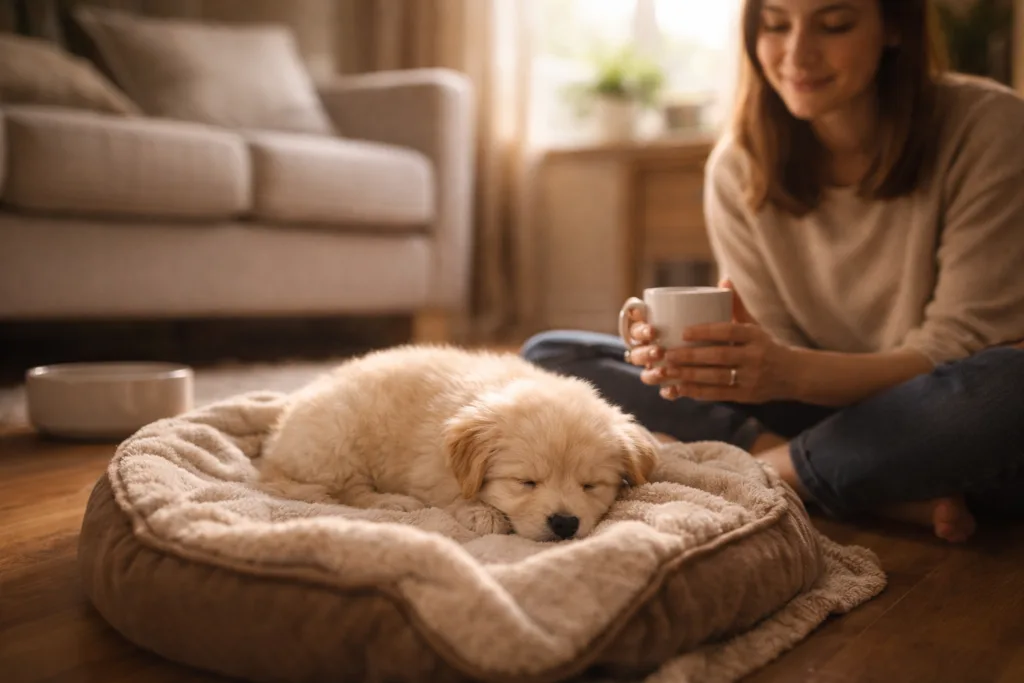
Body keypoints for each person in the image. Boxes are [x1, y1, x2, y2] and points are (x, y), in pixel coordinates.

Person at [520, 0, 1024, 543]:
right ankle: (853, 481)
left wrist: (787, 373)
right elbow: (776, 354)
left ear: (895, 26)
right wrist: (713, 363)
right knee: (554, 360)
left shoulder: (990, 129)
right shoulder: (739, 166)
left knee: (1009, 387)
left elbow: (958, 350)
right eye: (776, 24)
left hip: (928, 405)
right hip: (827, 417)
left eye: (834, 24)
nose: (796, 53)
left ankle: (766, 473)